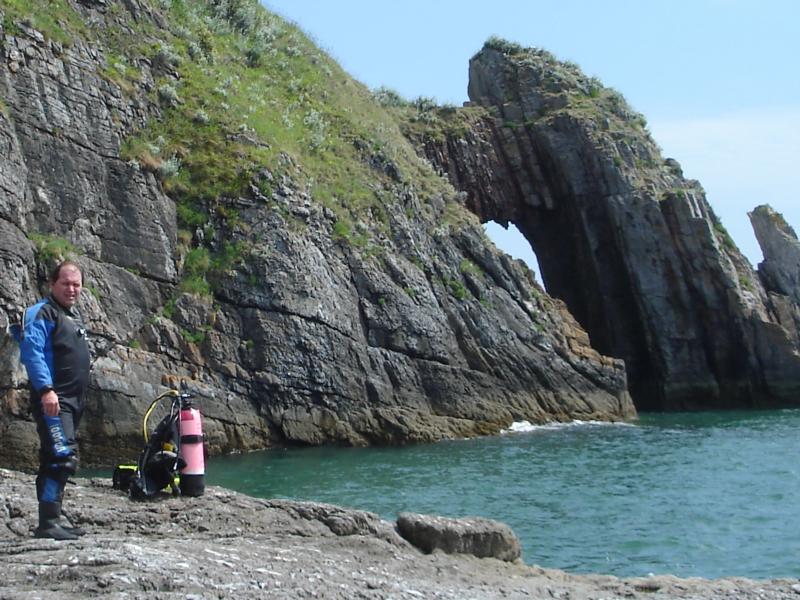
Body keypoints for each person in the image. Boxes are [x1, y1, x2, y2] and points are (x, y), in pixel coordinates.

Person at [18, 261, 91, 540]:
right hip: (54, 401)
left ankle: (52, 519)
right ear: (52, 284)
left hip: (73, 402)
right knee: (61, 458)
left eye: (76, 284)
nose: (72, 289)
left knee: (55, 457)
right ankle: (48, 524)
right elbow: (32, 352)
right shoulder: (43, 312)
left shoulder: (72, 316)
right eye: (66, 283)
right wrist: (46, 390)